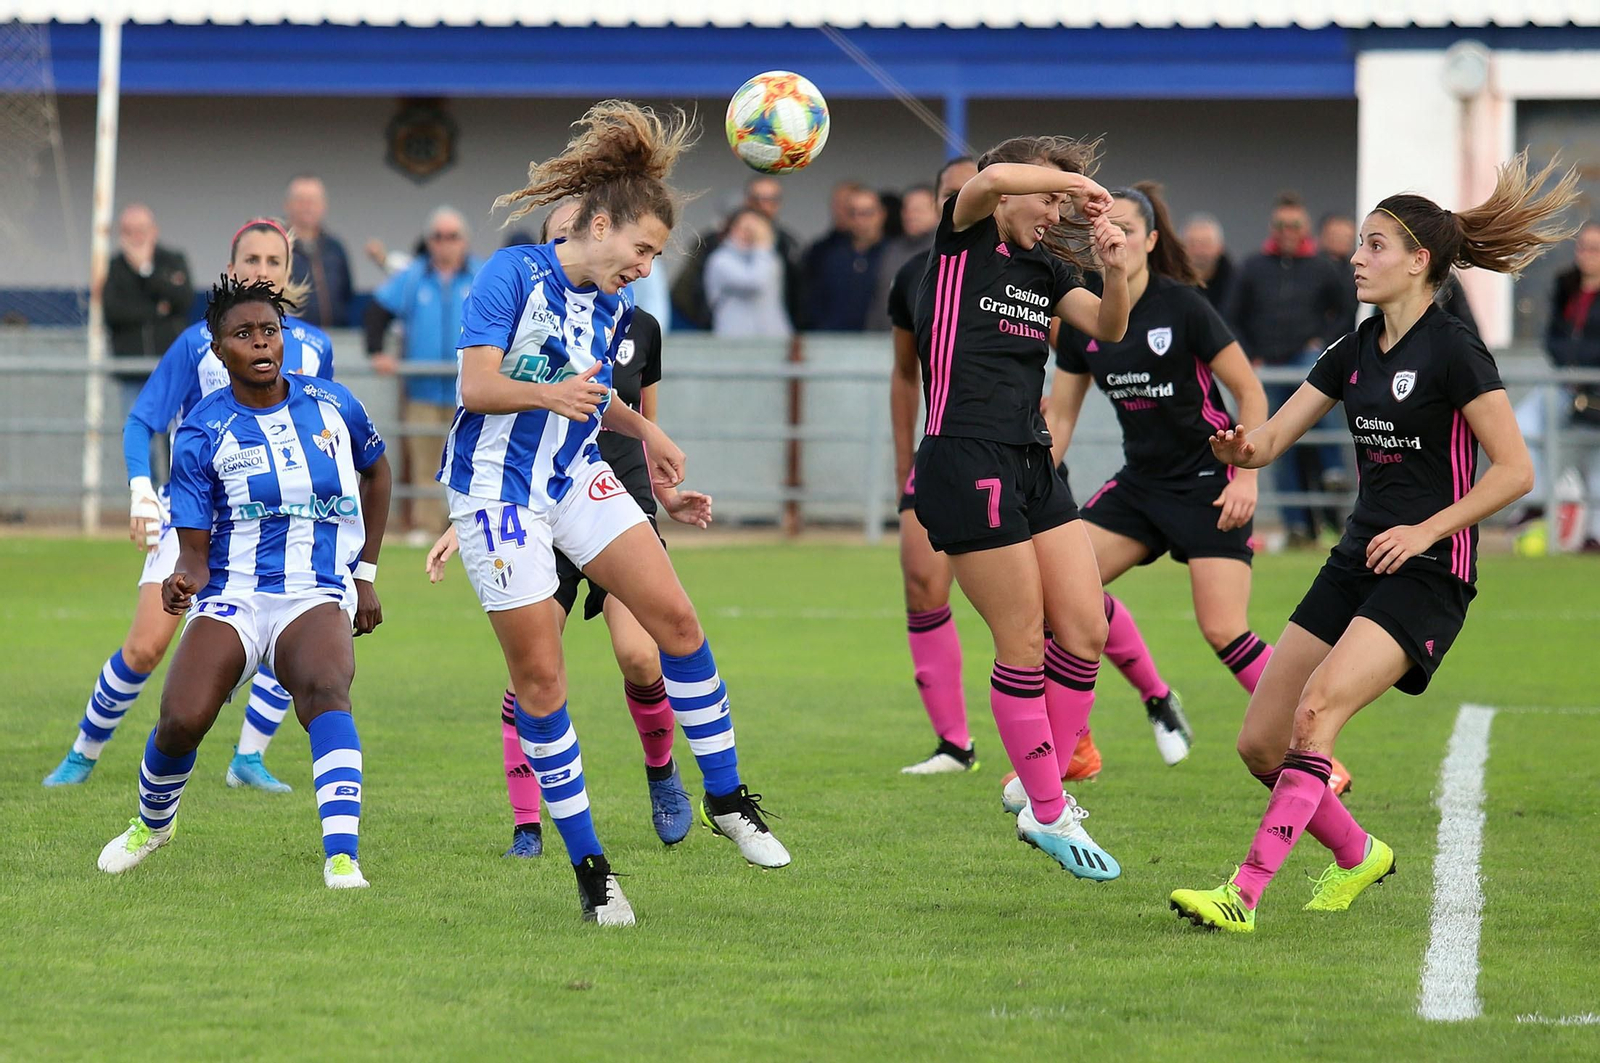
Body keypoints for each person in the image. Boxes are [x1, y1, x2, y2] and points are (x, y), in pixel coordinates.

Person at [1169, 152, 1573, 933]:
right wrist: (1234, 445)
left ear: (1421, 262)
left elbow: (1516, 470)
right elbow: (1271, 439)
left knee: (1315, 717)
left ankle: (1242, 894)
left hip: (1430, 569)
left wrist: (1426, 528)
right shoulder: (1353, 349)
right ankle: (1359, 855)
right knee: (1261, 742)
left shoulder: (1456, 348)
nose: (1357, 257)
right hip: (1356, 558)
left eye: (1376, 244)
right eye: (1359, 243)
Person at [439, 101, 789, 926]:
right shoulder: (512, 275)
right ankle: (593, 870)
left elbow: (592, 399)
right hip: (496, 497)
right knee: (542, 680)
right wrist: (550, 394)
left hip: (573, 475)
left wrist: (649, 433)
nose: (645, 266)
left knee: (676, 620)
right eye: (642, 249)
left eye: (655, 257)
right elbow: (477, 388)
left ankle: (729, 798)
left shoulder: (612, 307)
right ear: (598, 225)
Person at [425, 198, 718, 858]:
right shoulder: (523, 288)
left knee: (644, 652)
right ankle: (528, 822)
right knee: (534, 668)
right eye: (558, 236)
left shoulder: (632, 318)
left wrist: (661, 483)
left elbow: (629, 409)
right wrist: (465, 522)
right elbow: (490, 410)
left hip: (607, 488)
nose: (638, 265)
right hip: (523, 501)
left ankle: (663, 774)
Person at [96, 276, 392, 889]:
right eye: (243, 334)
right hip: (232, 594)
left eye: (269, 331)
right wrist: (182, 582)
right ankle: (153, 825)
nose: (261, 344)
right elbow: (197, 554)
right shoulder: (202, 432)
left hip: (313, 591)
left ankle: (342, 858)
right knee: (180, 719)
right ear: (218, 348)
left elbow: (378, 473)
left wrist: (364, 574)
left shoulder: (334, 404)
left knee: (326, 687)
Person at [45, 219, 336, 792]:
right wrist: (141, 492)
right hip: (194, 525)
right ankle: (83, 751)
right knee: (147, 643)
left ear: (287, 271)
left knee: (291, 637)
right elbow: (141, 420)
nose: (261, 270)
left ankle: (248, 759)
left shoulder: (314, 349)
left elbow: (321, 433)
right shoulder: (194, 344)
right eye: (250, 259)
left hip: (278, 528)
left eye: (273, 261)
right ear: (230, 270)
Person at [911, 134, 1131, 879]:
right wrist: (1069, 183)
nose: (1056, 213)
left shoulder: (1046, 267)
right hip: (964, 455)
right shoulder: (964, 232)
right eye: (1051, 200)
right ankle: (1047, 811)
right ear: (1009, 195)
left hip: (1032, 459)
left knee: (1086, 625)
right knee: (1023, 637)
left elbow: (1109, 327)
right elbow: (998, 172)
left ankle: (1037, 783)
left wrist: (1116, 270)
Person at [885, 156, 981, 774]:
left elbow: (1076, 349)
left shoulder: (1022, 270)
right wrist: (903, 462)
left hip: (1013, 453)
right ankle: (955, 745)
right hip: (939, 452)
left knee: (1057, 604)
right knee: (922, 584)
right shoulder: (916, 276)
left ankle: (1151, 695)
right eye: (949, 195)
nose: (959, 205)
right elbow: (903, 372)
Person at [1228, 193, 1358, 545]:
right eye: (1282, 225)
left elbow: (1347, 311)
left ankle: (1334, 470)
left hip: (1305, 361)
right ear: (1273, 228)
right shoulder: (1252, 267)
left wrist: (1323, 343)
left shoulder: (1321, 267)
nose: (1288, 232)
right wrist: (1249, 356)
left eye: (1295, 225)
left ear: (1305, 229)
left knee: (1323, 416)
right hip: (1267, 366)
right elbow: (1232, 316)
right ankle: (1296, 524)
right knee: (1272, 444)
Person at [364, 206, 484, 538]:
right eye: (438, 237)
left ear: (465, 241)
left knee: (470, 462)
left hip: (472, 393)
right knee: (426, 464)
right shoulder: (414, 276)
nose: (445, 244)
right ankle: (428, 528)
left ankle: (468, 532)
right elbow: (376, 311)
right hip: (422, 391)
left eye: (452, 237)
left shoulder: (482, 275)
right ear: (429, 241)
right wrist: (377, 353)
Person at [1514, 221, 1600, 542]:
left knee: (1595, 463)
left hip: (1595, 390)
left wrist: (1586, 367)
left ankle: (1595, 538)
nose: (1586, 255)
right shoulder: (1567, 286)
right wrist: (1570, 364)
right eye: (1583, 247)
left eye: (1594, 249)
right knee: (1523, 426)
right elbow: (1553, 336)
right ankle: (1536, 501)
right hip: (1565, 384)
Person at [669, 175, 803, 330]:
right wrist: (762, 245)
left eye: (771, 200)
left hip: (774, 340)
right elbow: (755, 281)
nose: (763, 206)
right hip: (729, 340)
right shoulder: (716, 251)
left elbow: (793, 296)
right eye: (757, 199)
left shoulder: (786, 244)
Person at [804, 186, 888, 331]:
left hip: (879, 343)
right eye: (853, 214)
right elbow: (814, 302)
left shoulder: (893, 254)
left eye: (866, 213)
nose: (860, 220)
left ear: (881, 214)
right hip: (833, 342)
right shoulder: (829, 255)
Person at [704, 207, 792, 338]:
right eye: (746, 229)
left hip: (772, 343)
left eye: (757, 230)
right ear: (732, 230)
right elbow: (755, 282)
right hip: (735, 344)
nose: (752, 235)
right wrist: (762, 246)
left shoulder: (769, 259)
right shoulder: (721, 260)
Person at [867, 184, 940, 331]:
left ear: (937, 211)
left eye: (918, 210)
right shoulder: (891, 250)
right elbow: (878, 298)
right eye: (906, 209)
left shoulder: (946, 250)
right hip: (885, 340)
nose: (910, 215)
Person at [285, 174, 354, 329]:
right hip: (290, 340)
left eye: (313, 201)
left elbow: (346, 294)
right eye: (301, 201)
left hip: (333, 340)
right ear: (288, 205)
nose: (307, 207)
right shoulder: (277, 246)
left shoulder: (335, 249)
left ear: (323, 205)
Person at [1183, 213, 1234, 312]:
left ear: (1220, 248)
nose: (1198, 251)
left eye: (1205, 244)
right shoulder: (1169, 283)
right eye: (1192, 244)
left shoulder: (1235, 285)